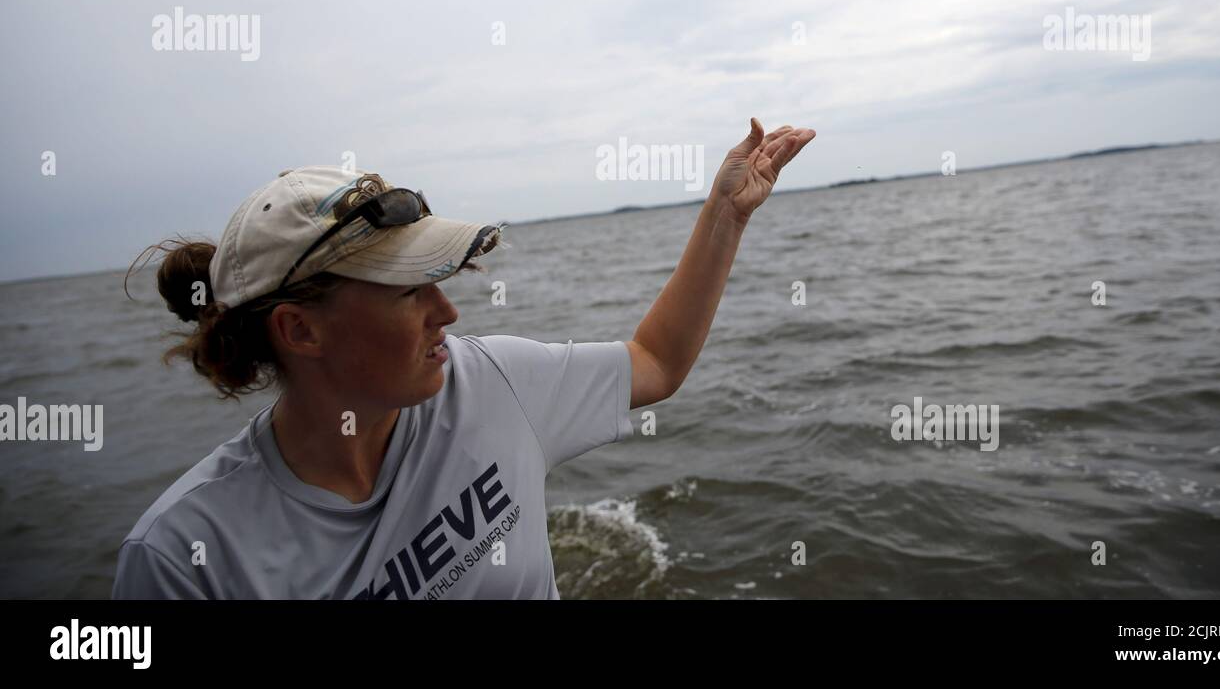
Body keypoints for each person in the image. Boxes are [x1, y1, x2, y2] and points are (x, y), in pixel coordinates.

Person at [112, 118, 815, 599]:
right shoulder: (186, 557)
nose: (447, 315)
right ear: (300, 330)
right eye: (407, 292)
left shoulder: (492, 383)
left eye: (439, 285)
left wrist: (728, 215)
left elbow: (655, 363)